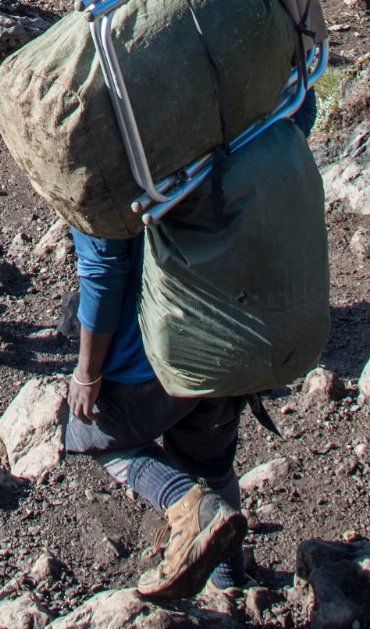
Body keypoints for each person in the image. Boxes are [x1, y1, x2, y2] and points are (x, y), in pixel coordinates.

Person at [65, 225, 248, 602]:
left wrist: (87, 372)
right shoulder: (202, 160)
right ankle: (233, 592)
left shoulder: (99, 172)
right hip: (233, 327)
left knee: (94, 434)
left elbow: (102, 269)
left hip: (161, 349)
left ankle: (188, 508)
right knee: (208, 465)